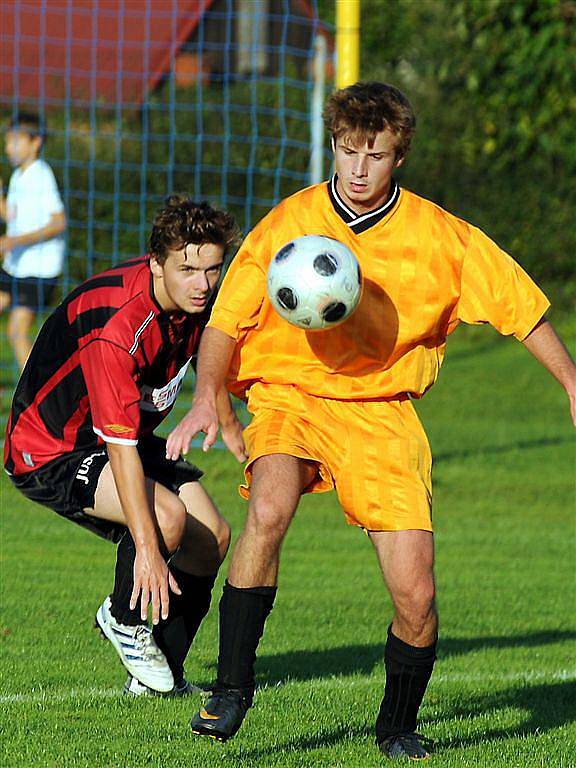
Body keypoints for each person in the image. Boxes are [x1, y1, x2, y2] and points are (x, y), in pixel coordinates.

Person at [167, 82, 576, 758]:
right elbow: (223, 322)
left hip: (382, 413)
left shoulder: (440, 237)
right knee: (268, 505)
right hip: (289, 393)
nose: (357, 169)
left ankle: (396, 726)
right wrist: (209, 393)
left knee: (416, 593)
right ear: (333, 145)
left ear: (399, 158)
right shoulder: (289, 223)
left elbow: (520, 309)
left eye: (375, 155)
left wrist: (568, 378)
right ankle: (232, 685)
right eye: (346, 151)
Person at [4, 195, 247, 696]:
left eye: (212, 269)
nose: (202, 284)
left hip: (117, 436)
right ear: (156, 263)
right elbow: (118, 449)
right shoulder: (118, 325)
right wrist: (149, 553)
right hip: (50, 449)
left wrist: (224, 416)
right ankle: (122, 617)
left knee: (212, 538)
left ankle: (158, 681)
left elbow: (209, 352)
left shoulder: (194, 300)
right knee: (166, 521)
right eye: (188, 269)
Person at [0, 111, 66, 369]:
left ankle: (35, 393)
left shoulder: (41, 174)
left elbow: (58, 222)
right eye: (7, 141)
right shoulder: (19, 176)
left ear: (35, 142)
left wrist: (14, 242)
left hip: (39, 269)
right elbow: (13, 217)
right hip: (16, 265)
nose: (8, 148)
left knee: (16, 331)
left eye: (15, 141)